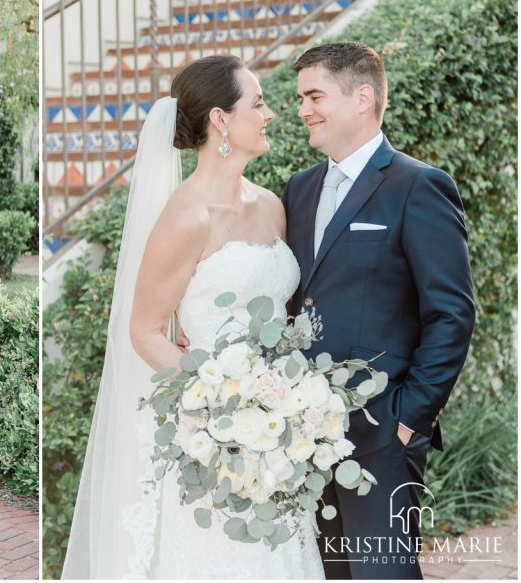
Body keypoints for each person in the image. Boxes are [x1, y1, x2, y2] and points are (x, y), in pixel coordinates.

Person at [62, 56, 324, 579]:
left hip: (280, 432)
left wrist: (286, 408)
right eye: (258, 103)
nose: (270, 113)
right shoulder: (187, 217)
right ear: (221, 120)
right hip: (216, 439)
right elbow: (144, 328)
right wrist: (218, 403)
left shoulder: (272, 205)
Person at [283, 42, 474, 579]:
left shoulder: (419, 186)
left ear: (362, 96)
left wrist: (409, 418)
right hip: (303, 440)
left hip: (383, 437)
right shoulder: (298, 190)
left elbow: (451, 313)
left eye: (315, 95)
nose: (303, 110)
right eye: (300, 98)